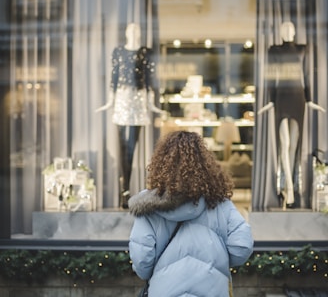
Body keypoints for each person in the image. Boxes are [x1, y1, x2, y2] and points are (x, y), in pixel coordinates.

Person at [128, 131, 253, 297]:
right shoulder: (219, 202)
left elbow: (142, 259)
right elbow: (241, 247)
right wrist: (215, 263)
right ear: (205, 164)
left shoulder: (148, 206)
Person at [258, 21, 325, 209]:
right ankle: (288, 187)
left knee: (294, 147)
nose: (287, 31)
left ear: (295, 31)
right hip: (281, 98)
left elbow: (306, 76)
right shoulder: (274, 51)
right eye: (283, 28)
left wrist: (309, 99)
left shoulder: (303, 49)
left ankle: (290, 191)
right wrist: (271, 100)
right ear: (279, 31)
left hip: (298, 98)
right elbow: (271, 77)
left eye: (290, 28)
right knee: (284, 145)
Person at [96, 22, 163, 208]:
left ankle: (126, 190)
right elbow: (114, 77)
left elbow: (149, 78)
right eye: (131, 28)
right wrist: (110, 102)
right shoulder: (118, 52)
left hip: (139, 99)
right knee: (122, 147)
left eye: (137, 28)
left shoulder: (146, 52)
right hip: (122, 99)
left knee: (132, 146)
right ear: (126, 32)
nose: (134, 31)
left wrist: (152, 104)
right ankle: (124, 190)